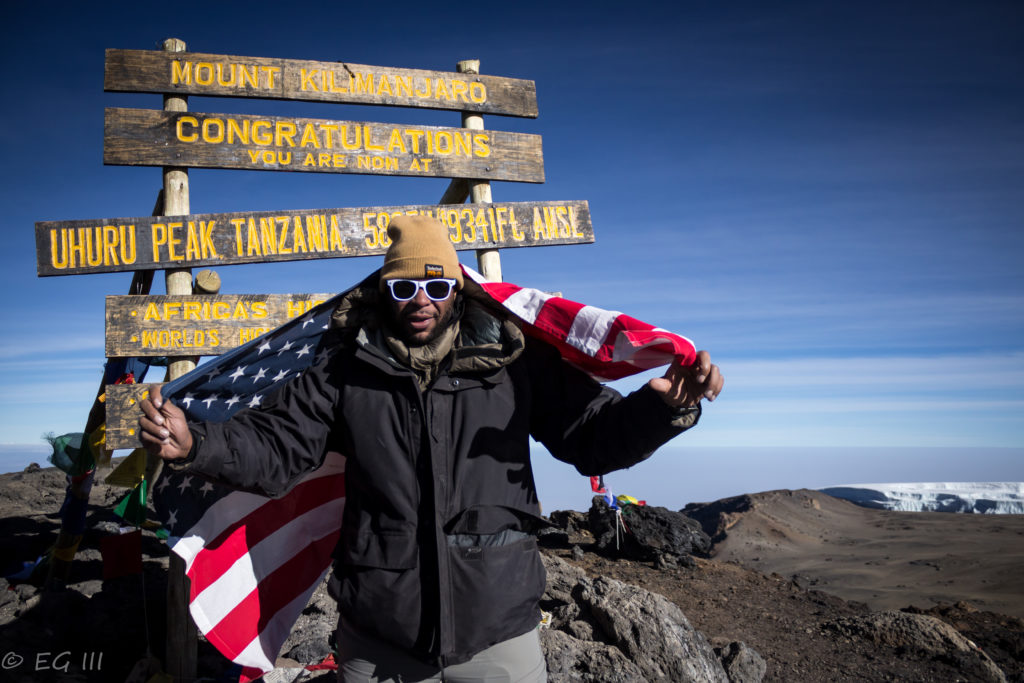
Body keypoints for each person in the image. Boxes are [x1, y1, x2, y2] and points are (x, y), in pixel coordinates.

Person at [140, 214, 723, 683]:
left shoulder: (517, 362)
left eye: (437, 285)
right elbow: (276, 446)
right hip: (380, 635)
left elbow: (593, 441)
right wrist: (197, 443)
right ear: (384, 291)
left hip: (499, 631)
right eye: (404, 286)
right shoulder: (344, 370)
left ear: (458, 290)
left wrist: (663, 408)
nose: (422, 300)